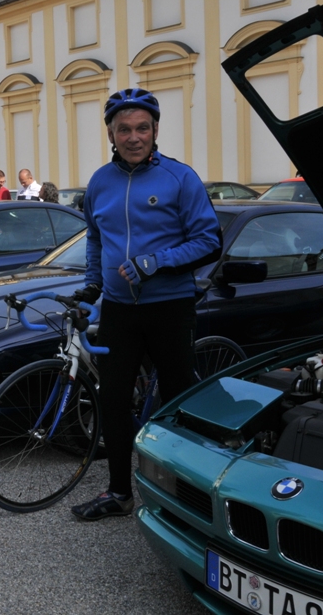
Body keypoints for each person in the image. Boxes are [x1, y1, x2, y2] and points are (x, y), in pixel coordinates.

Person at [70, 88, 221, 521]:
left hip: (169, 307)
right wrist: (92, 285)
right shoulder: (100, 181)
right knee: (113, 403)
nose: (133, 137)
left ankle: (186, 498)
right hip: (120, 310)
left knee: (178, 404)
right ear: (111, 134)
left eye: (142, 128)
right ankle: (119, 493)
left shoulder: (179, 178)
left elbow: (209, 241)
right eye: (124, 129)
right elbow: (96, 239)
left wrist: (155, 262)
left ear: (155, 131)